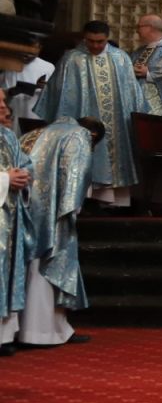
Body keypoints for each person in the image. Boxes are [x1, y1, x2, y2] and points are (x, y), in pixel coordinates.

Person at [15, 115, 103, 348]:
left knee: (26, 268)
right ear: (93, 136)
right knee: (49, 268)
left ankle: (20, 329)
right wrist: (72, 209)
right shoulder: (79, 136)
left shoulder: (32, 134)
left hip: (22, 210)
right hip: (53, 214)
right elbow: (76, 175)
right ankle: (44, 332)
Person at [37, 20, 139, 206]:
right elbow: (58, 95)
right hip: (83, 121)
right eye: (90, 41)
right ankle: (86, 201)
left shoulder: (121, 58)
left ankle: (113, 204)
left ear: (107, 38)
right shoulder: (71, 59)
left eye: (100, 41)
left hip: (116, 126)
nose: (95, 45)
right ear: (84, 38)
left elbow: (132, 93)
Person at [0, 95, 33, 355]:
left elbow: (24, 162)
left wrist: (24, 175)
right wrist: (5, 179)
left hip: (10, 215)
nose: (4, 107)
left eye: (4, 101)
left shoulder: (8, 136)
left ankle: (4, 335)